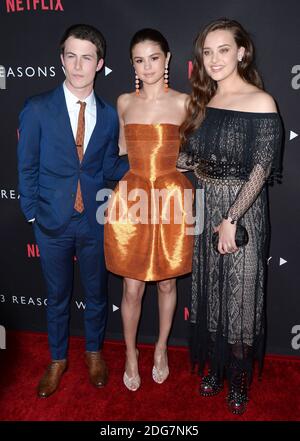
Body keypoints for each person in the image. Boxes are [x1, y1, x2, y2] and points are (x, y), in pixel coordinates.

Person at [17, 24, 128, 398]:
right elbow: (26, 166)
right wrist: (33, 213)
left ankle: (94, 353)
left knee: (97, 293)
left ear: (99, 64)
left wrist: (150, 164)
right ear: (62, 59)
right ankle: (58, 359)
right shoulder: (36, 109)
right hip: (50, 222)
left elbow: (109, 167)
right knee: (57, 295)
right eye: (71, 56)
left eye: (87, 57)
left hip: (94, 220)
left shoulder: (111, 116)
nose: (78, 65)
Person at [177, 18, 282, 414]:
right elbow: (189, 159)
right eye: (207, 52)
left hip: (243, 214)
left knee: (241, 296)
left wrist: (231, 218)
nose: (215, 59)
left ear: (241, 52)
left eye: (223, 50)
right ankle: (217, 367)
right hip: (206, 206)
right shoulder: (202, 102)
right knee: (212, 292)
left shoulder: (261, 101)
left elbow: (261, 169)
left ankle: (238, 377)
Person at [104, 28, 194, 391]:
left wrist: (174, 166)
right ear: (132, 65)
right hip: (133, 197)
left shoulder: (186, 103)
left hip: (172, 197)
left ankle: (160, 349)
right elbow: (124, 150)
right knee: (132, 287)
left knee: (169, 281)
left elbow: (191, 154)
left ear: (168, 59)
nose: (147, 66)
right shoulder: (124, 102)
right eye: (139, 61)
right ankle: (130, 353)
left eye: (154, 58)